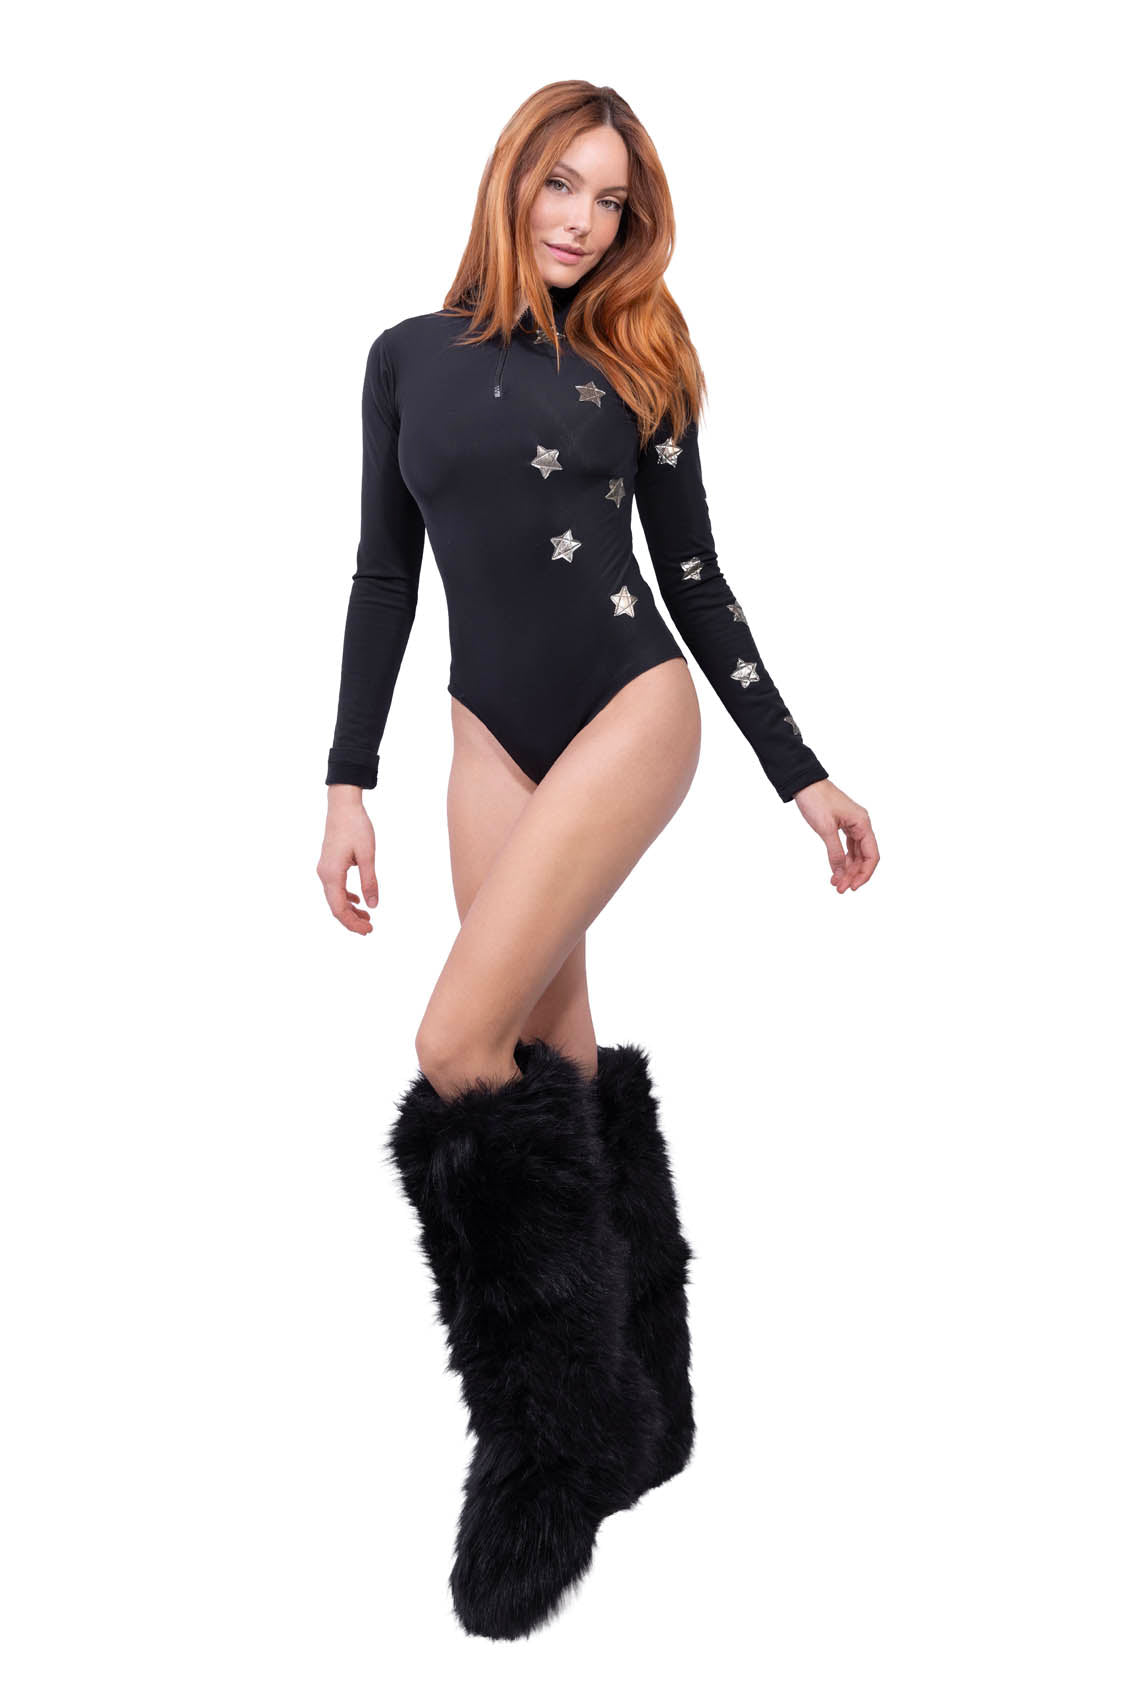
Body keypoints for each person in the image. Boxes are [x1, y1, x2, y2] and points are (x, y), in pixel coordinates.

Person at [317, 81, 879, 1641]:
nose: (581, 219)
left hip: (631, 706)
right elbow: (381, 576)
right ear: (512, 181)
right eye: (561, 183)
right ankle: (646, 1400)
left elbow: (696, 579)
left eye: (610, 199)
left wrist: (800, 772)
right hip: (483, 735)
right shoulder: (405, 357)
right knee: (541, 1067)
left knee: (455, 1043)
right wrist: (346, 780)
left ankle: (547, 1445)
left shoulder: (642, 352)